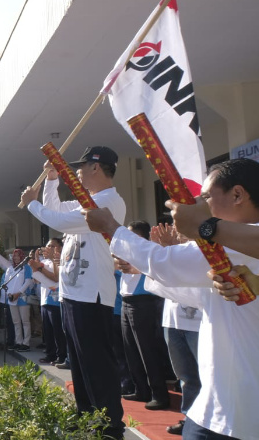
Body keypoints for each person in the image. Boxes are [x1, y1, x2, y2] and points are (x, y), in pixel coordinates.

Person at [82, 158, 259, 439]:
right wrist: (145, 270)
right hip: (219, 404)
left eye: (205, 198)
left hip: (235, 413)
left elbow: (163, 261)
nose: (198, 206)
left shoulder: (235, 244)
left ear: (237, 194)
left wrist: (112, 227)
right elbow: (196, 294)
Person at [20, 145, 127, 440]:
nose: (77, 171)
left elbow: (59, 221)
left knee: (97, 365)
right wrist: (52, 180)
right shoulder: (87, 199)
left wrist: (31, 203)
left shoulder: (106, 202)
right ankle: (86, 417)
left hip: (92, 296)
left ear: (97, 167)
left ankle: (109, 427)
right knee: (79, 365)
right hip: (72, 295)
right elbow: (55, 210)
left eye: (82, 166)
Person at [150, 222, 202, 436]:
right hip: (173, 321)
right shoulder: (172, 250)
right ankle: (190, 417)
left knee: (205, 375)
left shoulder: (202, 248)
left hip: (198, 324)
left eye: (178, 224)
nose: (174, 228)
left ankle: (205, 421)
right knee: (185, 376)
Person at [116, 220, 173, 411]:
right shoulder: (127, 251)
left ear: (143, 236)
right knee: (131, 349)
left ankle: (159, 394)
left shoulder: (149, 250)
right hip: (127, 300)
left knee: (147, 350)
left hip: (143, 302)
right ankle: (141, 389)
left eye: (134, 235)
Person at [30, 238, 67, 365]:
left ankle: (61, 355)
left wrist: (40, 269)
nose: (48, 248)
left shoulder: (60, 261)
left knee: (58, 330)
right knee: (48, 330)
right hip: (45, 299)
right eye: (47, 246)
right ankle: (50, 354)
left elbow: (56, 277)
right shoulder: (44, 262)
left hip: (56, 301)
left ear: (60, 248)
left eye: (52, 246)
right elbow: (36, 280)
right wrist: (36, 262)